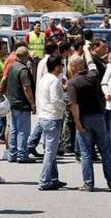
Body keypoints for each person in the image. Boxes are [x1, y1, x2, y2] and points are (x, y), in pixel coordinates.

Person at [68, 44, 111, 192]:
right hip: (98, 116)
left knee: (86, 153)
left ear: (73, 68)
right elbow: (91, 62)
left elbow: (74, 105)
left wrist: (77, 123)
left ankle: (88, 183)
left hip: (83, 118)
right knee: (105, 151)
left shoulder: (72, 83)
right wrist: (86, 50)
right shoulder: (93, 75)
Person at [37, 55, 67, 191]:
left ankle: (53, 179)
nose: (63, 67)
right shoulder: (54, 81)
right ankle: (44, 180)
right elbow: (55, 101)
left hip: (44, 116)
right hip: (52, 117)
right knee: (50, 152)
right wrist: (65, 105)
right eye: (61, 65)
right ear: (56, 67)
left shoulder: (44, 79)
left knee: (51, 150)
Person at [27, 42, 59, 158]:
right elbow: (48, 80)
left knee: (41, 122)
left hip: (42, 95)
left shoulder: (42, 61)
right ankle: (38, 146)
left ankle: (31, 144)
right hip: (46, 97)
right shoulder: (48, 62)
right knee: (45, 123)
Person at [6, 46, 36, 163]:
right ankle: (22, 154)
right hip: (22, 103)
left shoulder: (12, 66)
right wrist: (32, 103)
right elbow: (26, 88)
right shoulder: (23, 69)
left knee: (14, 129)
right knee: (23, 130)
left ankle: (12, 154)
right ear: (25, 56)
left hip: (12, 102)